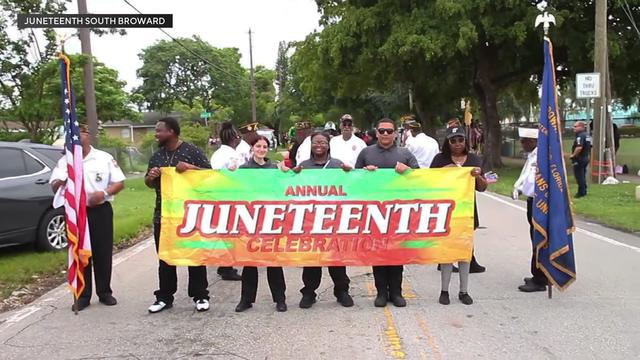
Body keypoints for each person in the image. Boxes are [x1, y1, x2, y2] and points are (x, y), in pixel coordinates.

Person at [50, 124, 125, 312]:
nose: (76, 137)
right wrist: (64, 179)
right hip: (76, 214)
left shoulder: (103, 158)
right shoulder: (65, 161)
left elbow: (119, 182)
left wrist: (104, 193)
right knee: (79, 252)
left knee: (102, 252)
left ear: (88, 135)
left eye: (80, 133)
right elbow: (54, 186)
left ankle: (104, 292)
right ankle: (83, 295)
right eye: (72, 134)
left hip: (99, 211)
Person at [145, 117, 211, 313]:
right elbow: (148, 183)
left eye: (159, 131)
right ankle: (164, 297)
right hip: (164, 215)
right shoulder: (156, 156)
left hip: (190, 215)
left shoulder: (192, 152)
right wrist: (151, 177)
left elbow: (210, 175)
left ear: (171, 132)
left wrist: (190, 168)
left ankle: (200, 295)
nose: (156, 134)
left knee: (194, 254)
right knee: (165, 257)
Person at [355, 118, 419, 307]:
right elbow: (354, 180)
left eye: (389, 131)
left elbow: (421, 179)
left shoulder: (405, 153)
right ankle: (381, 292)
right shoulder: (366, 153)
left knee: (397, 254)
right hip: (374, 212)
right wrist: (364, 172)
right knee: (379, 253)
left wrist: (408, 171)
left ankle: (396, 292)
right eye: (382, 131)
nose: (385, 134)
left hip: (399, 212)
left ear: (395, 133)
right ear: (376, 132)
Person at [296, 131, 355, 309]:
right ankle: (309, 292)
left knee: (336, 258)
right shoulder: (304, 166)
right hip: (311, 221)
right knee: (312, 259)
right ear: (311, 145)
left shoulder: (337, 165)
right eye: (315, 142)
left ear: (328, 145)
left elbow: (351, 186)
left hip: (334, 220)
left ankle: (342, 291)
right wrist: (291, 174)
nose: (319, 145)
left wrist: (350, 173)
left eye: (322, 142)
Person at [430, 126, 488, 306]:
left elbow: (483, 187)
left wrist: (477, 176)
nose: (457, 144)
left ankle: (464, 291)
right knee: (447, 253)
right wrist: (442, 173)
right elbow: (428, 184)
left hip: (467, 212)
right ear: (448, 142)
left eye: (460, 140)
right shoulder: (440, 159)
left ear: (466, 141)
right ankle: (444, 290)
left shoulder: (474, 159)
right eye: (453, 140)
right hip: (446, 212)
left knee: (465, 253)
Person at [234, 135, 289, 312]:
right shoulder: (243, 169)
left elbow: (282, 190)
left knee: (273, 261)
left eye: (265, 146)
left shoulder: (274, 168)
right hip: (250, 218)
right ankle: (246, 299)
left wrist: (285, 175)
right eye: (258, 146)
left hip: (270, 219)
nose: (261, 149)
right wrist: (230, 173)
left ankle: (280, 299)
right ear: (252, 148)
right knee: (249, 262)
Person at [513, 127, 548, 292]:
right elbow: (526, 176)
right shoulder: (532, 156)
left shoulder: (542, 157)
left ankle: (540, 278)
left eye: (524, 141)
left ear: (533, 141)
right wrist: (518, 188)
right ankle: (539, 273)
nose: (522, 144)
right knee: (534, 237)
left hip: (540, 203)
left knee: (539, 238)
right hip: (532, 201)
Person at [209, 121, 244, 281]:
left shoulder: (217, 154)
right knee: (229, 233)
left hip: (220, 196)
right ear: (234, 139)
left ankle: (225, 265)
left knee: (226, 232)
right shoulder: (232, 155)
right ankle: (226, 267)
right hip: (229, 197)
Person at [570, 121, 591, 198]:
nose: (574, 128)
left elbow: (579, 147)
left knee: (579, 176)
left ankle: (581, 192)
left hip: (579, 158)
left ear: (581, 127)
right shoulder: (587, 136)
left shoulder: (580, 136)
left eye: (575, 126)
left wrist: (573, 155)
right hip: (585, 157)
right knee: (582, 175)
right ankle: (583, 190)